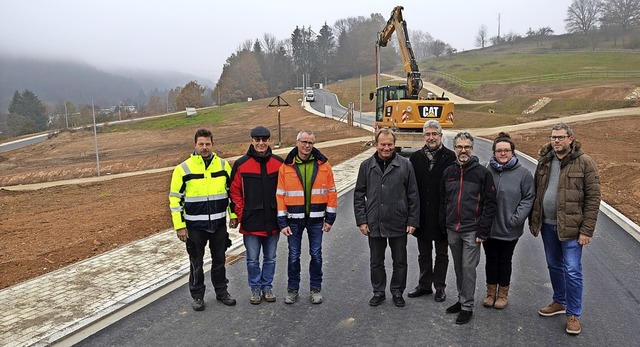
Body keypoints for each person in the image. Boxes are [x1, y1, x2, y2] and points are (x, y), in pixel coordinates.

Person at [529, 122, 601, 335]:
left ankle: (573, 314)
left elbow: (593, 198)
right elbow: (537, 191)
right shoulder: (544, 162)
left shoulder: (585, 163)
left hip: (571, 228)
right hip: (548, 226)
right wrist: (535, 221)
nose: (556, 141)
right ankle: (559, 301)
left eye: (560, 137)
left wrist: (587, 230)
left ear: (571, 139)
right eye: (553, 137)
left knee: (572, 270)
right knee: (554, 265)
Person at [169, 128, 237, 311]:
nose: (204, 147)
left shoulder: (223, 166)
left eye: (208, 144)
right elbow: (175, 200)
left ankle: (222, 292)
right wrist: (180, 226)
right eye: (201, 144)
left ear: (213, 145)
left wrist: (233, 216)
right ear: (195, 145)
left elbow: (232, 193)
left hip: (218, 224)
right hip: (194, 226)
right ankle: (197, 296)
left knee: (219, 260)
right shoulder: (183, 169)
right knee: (196, 263)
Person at [354, 128, 420, 307]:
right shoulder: (366, 166)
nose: (386, 148)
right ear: (376, 145)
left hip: (398, 221)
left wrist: (413, 221)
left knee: (400, 260)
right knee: (376, 261)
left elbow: (413, 195)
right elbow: (359, 194)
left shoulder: (405, 165)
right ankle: (378, 291)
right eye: (383, 144)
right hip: (374, 222)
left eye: (390, 144)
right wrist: (362, 220)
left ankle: (397, 291)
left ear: (394, 145)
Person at [440, 131, 496, 324]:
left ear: (472, 149)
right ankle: (460, 298)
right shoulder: (448, 172)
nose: (463, 151)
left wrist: (483, 231)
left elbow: (490, 204)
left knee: (468, 268)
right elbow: (443, 201)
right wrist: (444, 225)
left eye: (467, 147)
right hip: (452, 229)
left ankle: (467, 307)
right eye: (459, 147)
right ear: (454, 148)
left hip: (472, 230)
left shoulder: (482, 173)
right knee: (458, 267)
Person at [276, 130, 337, 305]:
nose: (307, 146)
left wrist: (330, 218)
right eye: (304, 142)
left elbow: (332, 192)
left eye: (310, 143)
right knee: (294, 256)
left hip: (317, 219)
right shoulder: (286, 166)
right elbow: (280, 195)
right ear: (297, 143)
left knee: (316, 254)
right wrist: (282, 222)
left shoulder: (324, 165)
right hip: (294, 219)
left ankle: (315, 289)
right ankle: (292, 289)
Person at [229, 126, 284, 305]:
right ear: (252, 140)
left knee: (271, 258)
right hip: (251, 222)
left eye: (264, 139)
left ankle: (267, 287)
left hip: (273, 221)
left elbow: (286, 190)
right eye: (257, 139)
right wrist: (241, 213)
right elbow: (234, 191)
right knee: (252, 260)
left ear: (269, 141)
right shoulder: (241, 164)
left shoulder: (279, 163)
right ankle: (255, 288)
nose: (261, 143)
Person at [483, 132, 535, 309]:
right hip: (489, 227)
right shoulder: (486, 170)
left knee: (505, 260)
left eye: (506, 150)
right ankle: (490, 293)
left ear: (513, 152)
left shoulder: (523, 174)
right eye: (499, 151)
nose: (503, 153)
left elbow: (528, 198)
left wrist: (516, 219)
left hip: (510, 228)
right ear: (494, 152)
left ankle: (502, 294)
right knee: (491, 259)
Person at [408, 120, 456, 303]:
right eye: (427, 134)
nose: (431, 137)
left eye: (434, 134)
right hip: (422, 215)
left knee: (442, 254)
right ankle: (424, 284)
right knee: (424, 253)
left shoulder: (451, 157)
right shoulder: (415, 158)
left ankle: (440, 287)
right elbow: (410, 188)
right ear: (423, 136)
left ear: (441, 136)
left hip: (443, 215)